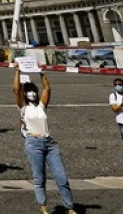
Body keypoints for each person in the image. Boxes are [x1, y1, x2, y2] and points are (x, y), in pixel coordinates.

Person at [14, 67, 75, 214]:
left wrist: (42, 73)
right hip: (33, 143)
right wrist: (17, 71)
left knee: (62, 178)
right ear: (25, 94)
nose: (32, 93)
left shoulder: (42, 106)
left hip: (49, 142)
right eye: (29, 91)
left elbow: (47, 87)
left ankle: (70, 207)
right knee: (39, 178)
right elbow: (16, 89)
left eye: (34, 90)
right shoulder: (23, 108)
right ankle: (43, 207)